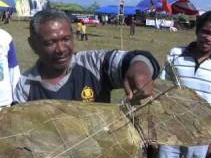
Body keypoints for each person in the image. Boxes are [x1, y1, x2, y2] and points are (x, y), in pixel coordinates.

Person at [14, 9, 160, 104]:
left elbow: (137, 58)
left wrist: (140, 69)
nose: (60, 49)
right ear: (33, 44)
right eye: (50, 43)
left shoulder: (94, 64)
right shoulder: (25, 87)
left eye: (66, 39)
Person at [156, 10, 211, 158]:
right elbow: (160, 92)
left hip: (202, 134)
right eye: (205, 32)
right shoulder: (175, 54)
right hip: (170, 130)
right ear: (197, 30)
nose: (208, 38)